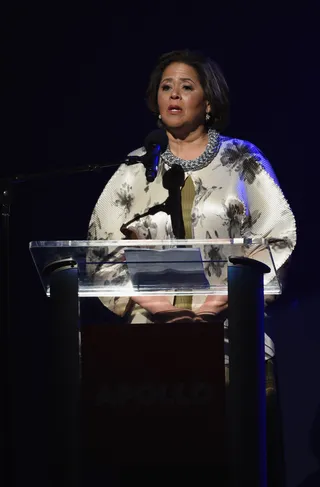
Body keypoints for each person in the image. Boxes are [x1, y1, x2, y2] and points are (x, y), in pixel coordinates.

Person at [87, 49, 296, 483]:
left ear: (210, 102)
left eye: (187, 86)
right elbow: (99, 250)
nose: (174, 95)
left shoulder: (243, 159)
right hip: (151, 346)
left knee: (234, 463)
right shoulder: (135, 168)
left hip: (230, 340)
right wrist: (154, 305)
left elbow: (278, 238)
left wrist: (222, 302)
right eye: (166, 87)